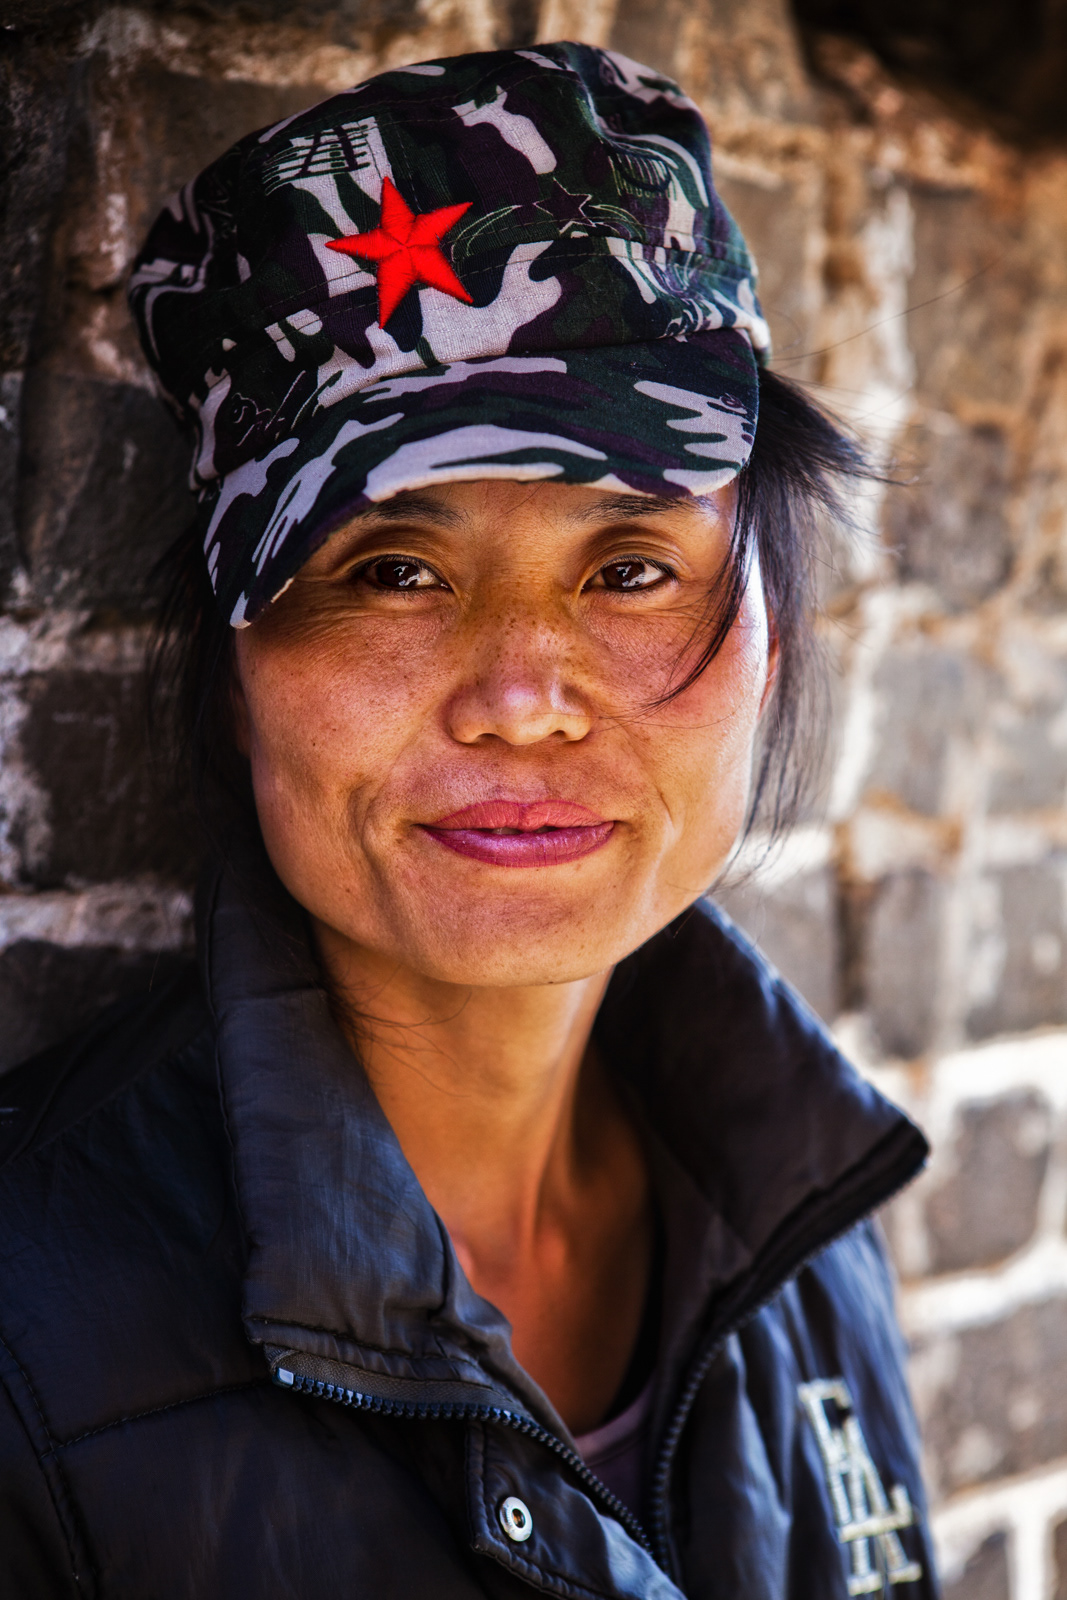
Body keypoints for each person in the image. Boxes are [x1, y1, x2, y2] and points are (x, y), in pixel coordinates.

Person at [0, 41, 937, 1599]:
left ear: (775, 640)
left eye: (629, 569)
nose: (519, 699)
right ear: (236, 675)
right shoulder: (30, 1342)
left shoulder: (808, 1226)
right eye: (394, 572)